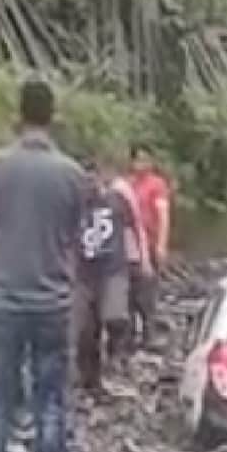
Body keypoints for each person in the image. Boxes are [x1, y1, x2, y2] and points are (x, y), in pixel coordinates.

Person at [0, 78, 87, 452]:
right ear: (52, 117)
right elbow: (72, 233)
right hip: (52, 302)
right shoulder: (73, 175)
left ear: (18, 115)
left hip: (3, 298)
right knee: (51, 408)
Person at [75, 160, 137, 397]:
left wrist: (138, 259)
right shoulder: (76, 205)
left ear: (101, 179)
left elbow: (132, 228)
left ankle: (117, 356)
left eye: (93, 178)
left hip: (113, 268)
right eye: (85, 179)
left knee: (115, 316)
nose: (90, 184)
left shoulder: (116, 201)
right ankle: (89, 379)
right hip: (84, 272)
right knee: (85, 330)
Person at [126, 145, 172, 346]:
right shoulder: (129, 184)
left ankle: (148, 332)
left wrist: (161, 244)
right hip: (130, 246)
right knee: (129, 292)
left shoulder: (157, 185)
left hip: (150, 244)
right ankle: (129, 335)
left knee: (148, 291)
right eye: (138, 160)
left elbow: (163, 215)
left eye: (145, 160)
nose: (141, 164)